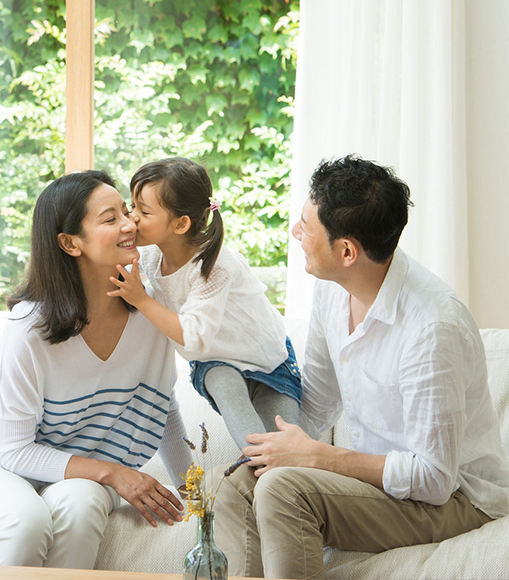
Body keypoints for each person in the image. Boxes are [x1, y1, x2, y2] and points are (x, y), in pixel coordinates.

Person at [213, 154, 509, 579]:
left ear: (347, 250)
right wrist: (274, 450)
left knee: (283, 489)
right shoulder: (333, 292)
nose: (296, 232)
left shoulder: (432, 327)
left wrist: (317, 457)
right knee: (243, 483)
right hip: (385, 485)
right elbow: (315, 405)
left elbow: (433, 478)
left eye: (306, 226)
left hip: (458, 499)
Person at [0, 170, 192, 569]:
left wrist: (194, 492)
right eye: (110, 219)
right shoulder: (30, 327)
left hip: (79, 468)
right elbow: (14, 450)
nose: (131, 224)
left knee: (83, 502)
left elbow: (161, 404)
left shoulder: (151, 309)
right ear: (70, 243)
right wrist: (113, 472)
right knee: (25, 522)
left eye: (127, 211)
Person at [108, 157, 302, 453]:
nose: (131, 218)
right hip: (217, 362)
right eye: (131, 207)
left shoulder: (216, 266)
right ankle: (256, 461)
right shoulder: (149, 257)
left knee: (285, 449)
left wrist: (141, 299)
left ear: (180, 223)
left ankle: (269, 469)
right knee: (227, 388)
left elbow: (194, 336)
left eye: (143, 211)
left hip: (270, 364)